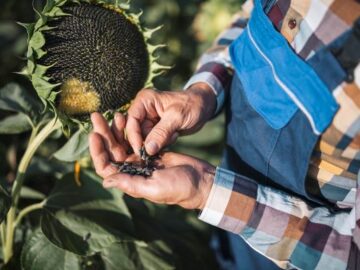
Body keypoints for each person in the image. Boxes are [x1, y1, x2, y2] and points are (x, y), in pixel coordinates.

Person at [89, 0, 360, 269]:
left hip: (299, 250)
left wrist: (206, 192)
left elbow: (353, 252)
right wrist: (203, 91)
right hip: (228, 196)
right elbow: (252, 16)